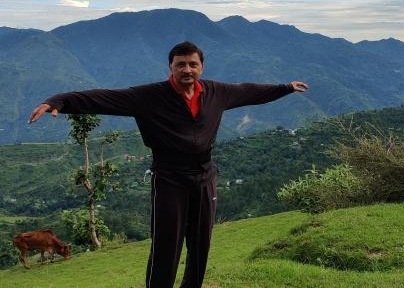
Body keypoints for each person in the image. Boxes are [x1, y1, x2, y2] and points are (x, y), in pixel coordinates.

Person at [28, 41, 309, 288]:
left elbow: (248, 91)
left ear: (202, 66)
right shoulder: (148, 96)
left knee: (201, 242)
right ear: (171, 67)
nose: (187, 70)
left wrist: (285, 88)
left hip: (205, 175)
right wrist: (58, 101)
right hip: (170, 178)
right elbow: (99, 97)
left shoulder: (216, 92)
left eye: (193, 64)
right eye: (181, 65)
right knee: (166, 245)